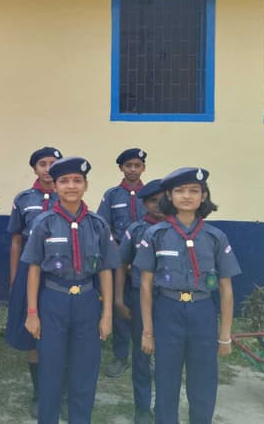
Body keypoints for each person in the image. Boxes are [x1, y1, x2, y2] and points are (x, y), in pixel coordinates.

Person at [134, 167, 241, 424]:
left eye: (194, 191)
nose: (186, 196)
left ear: (203, 196)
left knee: (203, 382)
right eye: (179, 191)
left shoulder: (215, 237)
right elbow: (145, 285)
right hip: (167, 310)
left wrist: (225, 335)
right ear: (169, 196)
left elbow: (226, 288)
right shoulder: (156, 234)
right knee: (166, 380)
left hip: (202, 312)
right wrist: (147, 331)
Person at [23, 157, 119, 424]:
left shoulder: (98, 224)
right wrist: (32, 312)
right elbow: (33, 269)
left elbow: (105, 270)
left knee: (85, 370)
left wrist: (107, 314)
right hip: (53, 300)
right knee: (50, 369)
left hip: (87, 301)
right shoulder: (43, 223)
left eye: (77, 180)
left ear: (86, 185)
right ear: (55, 186)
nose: (71, 186)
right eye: (64, 181)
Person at [5, 146, 63, 420]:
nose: (48, 169)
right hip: (30, 269)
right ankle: (40, 393)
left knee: (61, 331)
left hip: (61, 271)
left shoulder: (69, 195)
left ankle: (61, 393)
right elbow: (16, 241)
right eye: (43, 163)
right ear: (34, 168)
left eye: (53, 163)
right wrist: (14, 277)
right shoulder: (24, 199)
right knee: (34, 332)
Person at [116, 178, 165, 424]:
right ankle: (143, 407)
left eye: (162, 200)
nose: (158, 205)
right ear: (144, 204)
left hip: (169, 299)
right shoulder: (135, 230)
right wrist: (118, 299)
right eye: (152, 201)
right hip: (140, 296)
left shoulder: (178, 229)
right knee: (142, 353)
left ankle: (164, 405)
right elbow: (120, 264)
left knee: (168, 354)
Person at [97, 147, 147, 378]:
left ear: (143, 168)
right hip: (118, 260)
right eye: (128, 166)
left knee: (146, 307)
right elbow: (104, 228)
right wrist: (118, 256)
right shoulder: (112, 195)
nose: (133, 170)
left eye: (137, 165)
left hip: (146, 262)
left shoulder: (152, 194)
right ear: (121, 168)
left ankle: (146, 354)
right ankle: (120, 356)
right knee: (120, 307)